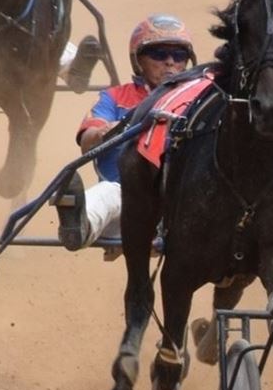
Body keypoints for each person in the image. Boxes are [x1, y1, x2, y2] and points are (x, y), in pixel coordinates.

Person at [54, 14, 197, 250]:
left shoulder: (200, 96)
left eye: (179, 55)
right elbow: (87, 143)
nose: (170, 62)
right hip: (126, 201)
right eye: (159, 54)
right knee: (107, 194)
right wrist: (104, 133)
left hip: (184, 200)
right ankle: (78, 225)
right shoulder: (115, 97)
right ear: (138, 60)